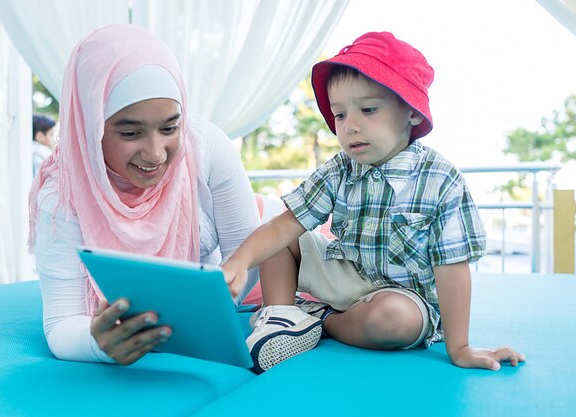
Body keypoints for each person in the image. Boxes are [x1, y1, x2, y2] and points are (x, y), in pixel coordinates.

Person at [223, 31, 526, 373]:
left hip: (403, 298)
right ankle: (282, 318)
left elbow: (452, 267)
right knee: (280, 234)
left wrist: (460, 347)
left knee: (393, 321)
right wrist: (239, 260)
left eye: (368, 109)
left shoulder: (441, 180)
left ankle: (322, 321)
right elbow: (283, 226)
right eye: (339, 115)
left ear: (411, 112)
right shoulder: (340, 168)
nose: (350, 127)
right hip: (346, 272)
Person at [28, 24, 261, 365]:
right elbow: (62, 326)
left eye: (169, 128)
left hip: (271, 253)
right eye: (130, 132)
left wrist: (209, 308)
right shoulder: (61, 194)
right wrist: (98, 344)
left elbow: (250, 256)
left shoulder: (205, 146)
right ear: (91, 126)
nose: (155, 154)